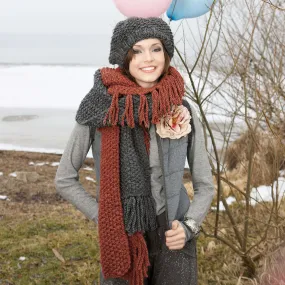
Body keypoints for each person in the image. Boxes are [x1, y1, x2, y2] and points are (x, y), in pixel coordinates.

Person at [55, 17, 214, 285]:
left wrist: (189, 226)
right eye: (137, 50)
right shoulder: (99, 108)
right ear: (124, 57)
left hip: (173, 235)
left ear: (166, 54)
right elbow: (64, 178)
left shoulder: (181, 108)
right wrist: (104, 217)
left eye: (156, 48)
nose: (148, 58)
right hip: (122, 234)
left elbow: (205, 185)